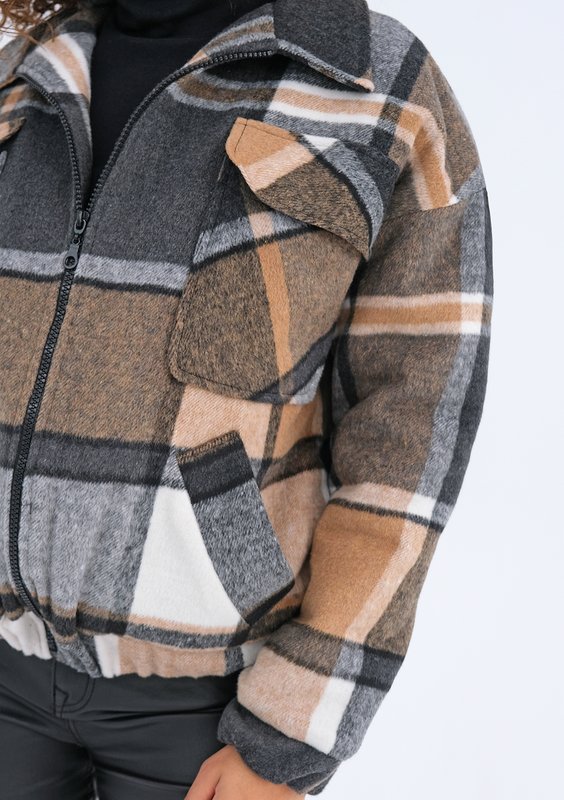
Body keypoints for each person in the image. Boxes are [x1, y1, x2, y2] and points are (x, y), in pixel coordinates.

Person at [0, 0, 494, 797]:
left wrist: (292, 727)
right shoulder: (28, 67)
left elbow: (412, 443)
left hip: (207, 711)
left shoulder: (370, 80)